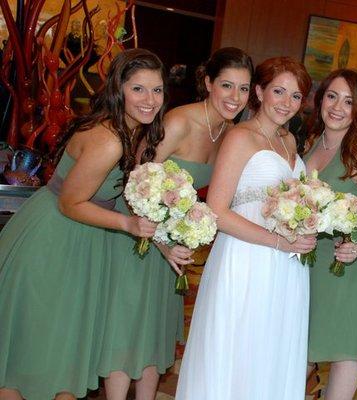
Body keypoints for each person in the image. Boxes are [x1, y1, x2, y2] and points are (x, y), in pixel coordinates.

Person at [0, 48, 164, 400]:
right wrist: (128, 223)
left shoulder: (125, 129)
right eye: (138, 89)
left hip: (75, 238)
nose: (150, 99)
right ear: (118, 89)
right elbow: (70, 202)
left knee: (49, 350)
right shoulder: (110, 140)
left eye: (157, 90)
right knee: (38, 351)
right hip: (56, 240)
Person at [97, 47, 253, 400]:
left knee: (156, 332)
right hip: (139, 237)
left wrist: (184, 232)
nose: (235, 97)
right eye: (227, 85)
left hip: (172, 245)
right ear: (208, 82)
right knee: (126, 330)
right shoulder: (180, 122)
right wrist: (162, 241)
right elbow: (134, 181)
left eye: (243, 89)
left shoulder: (230, 132)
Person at [175, 57, 316, 400]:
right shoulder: (240, 137)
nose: (286, 103)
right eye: (278, 92)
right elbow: (218, 211)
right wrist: (278, 242)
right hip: (246, 257)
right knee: (240, 343)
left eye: (295, 97)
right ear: (259, 91)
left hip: (286, 267)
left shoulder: (290, 142)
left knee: (272, 345)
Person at [304, 69, 357, 400]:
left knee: (345, 349)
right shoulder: (311, 145)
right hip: (312, 261)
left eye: (349, 101)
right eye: (332, 96)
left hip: (349, 264)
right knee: (304, 345)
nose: (338, 107)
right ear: (321, 99)